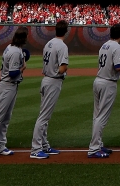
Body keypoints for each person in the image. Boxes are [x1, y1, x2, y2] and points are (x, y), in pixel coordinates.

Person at [0, 26, 29, 158]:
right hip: (7, 86)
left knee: (6, 118)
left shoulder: (11, 47)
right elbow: (13, 73)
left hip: (9, 85)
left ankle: (0, 145)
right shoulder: (15, 51)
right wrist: (22, 68)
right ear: (23, 38)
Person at [30, 20, 70, 159]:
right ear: (66, 31)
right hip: (53, 81)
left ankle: (44, 145)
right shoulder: (62, 46)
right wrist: (61, 72)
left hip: (46, 80)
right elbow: (63, 68)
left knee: (45, 115)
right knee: (44, 117)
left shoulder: (49, 43)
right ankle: (36, 149)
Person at [87, 24, 120, 158]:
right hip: (108, 82)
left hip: (98, 80)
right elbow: (118, 66)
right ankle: (94, 149)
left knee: (97, 115)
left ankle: (98, 144)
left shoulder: (104, 45)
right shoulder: (117, 47)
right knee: (102, 116)